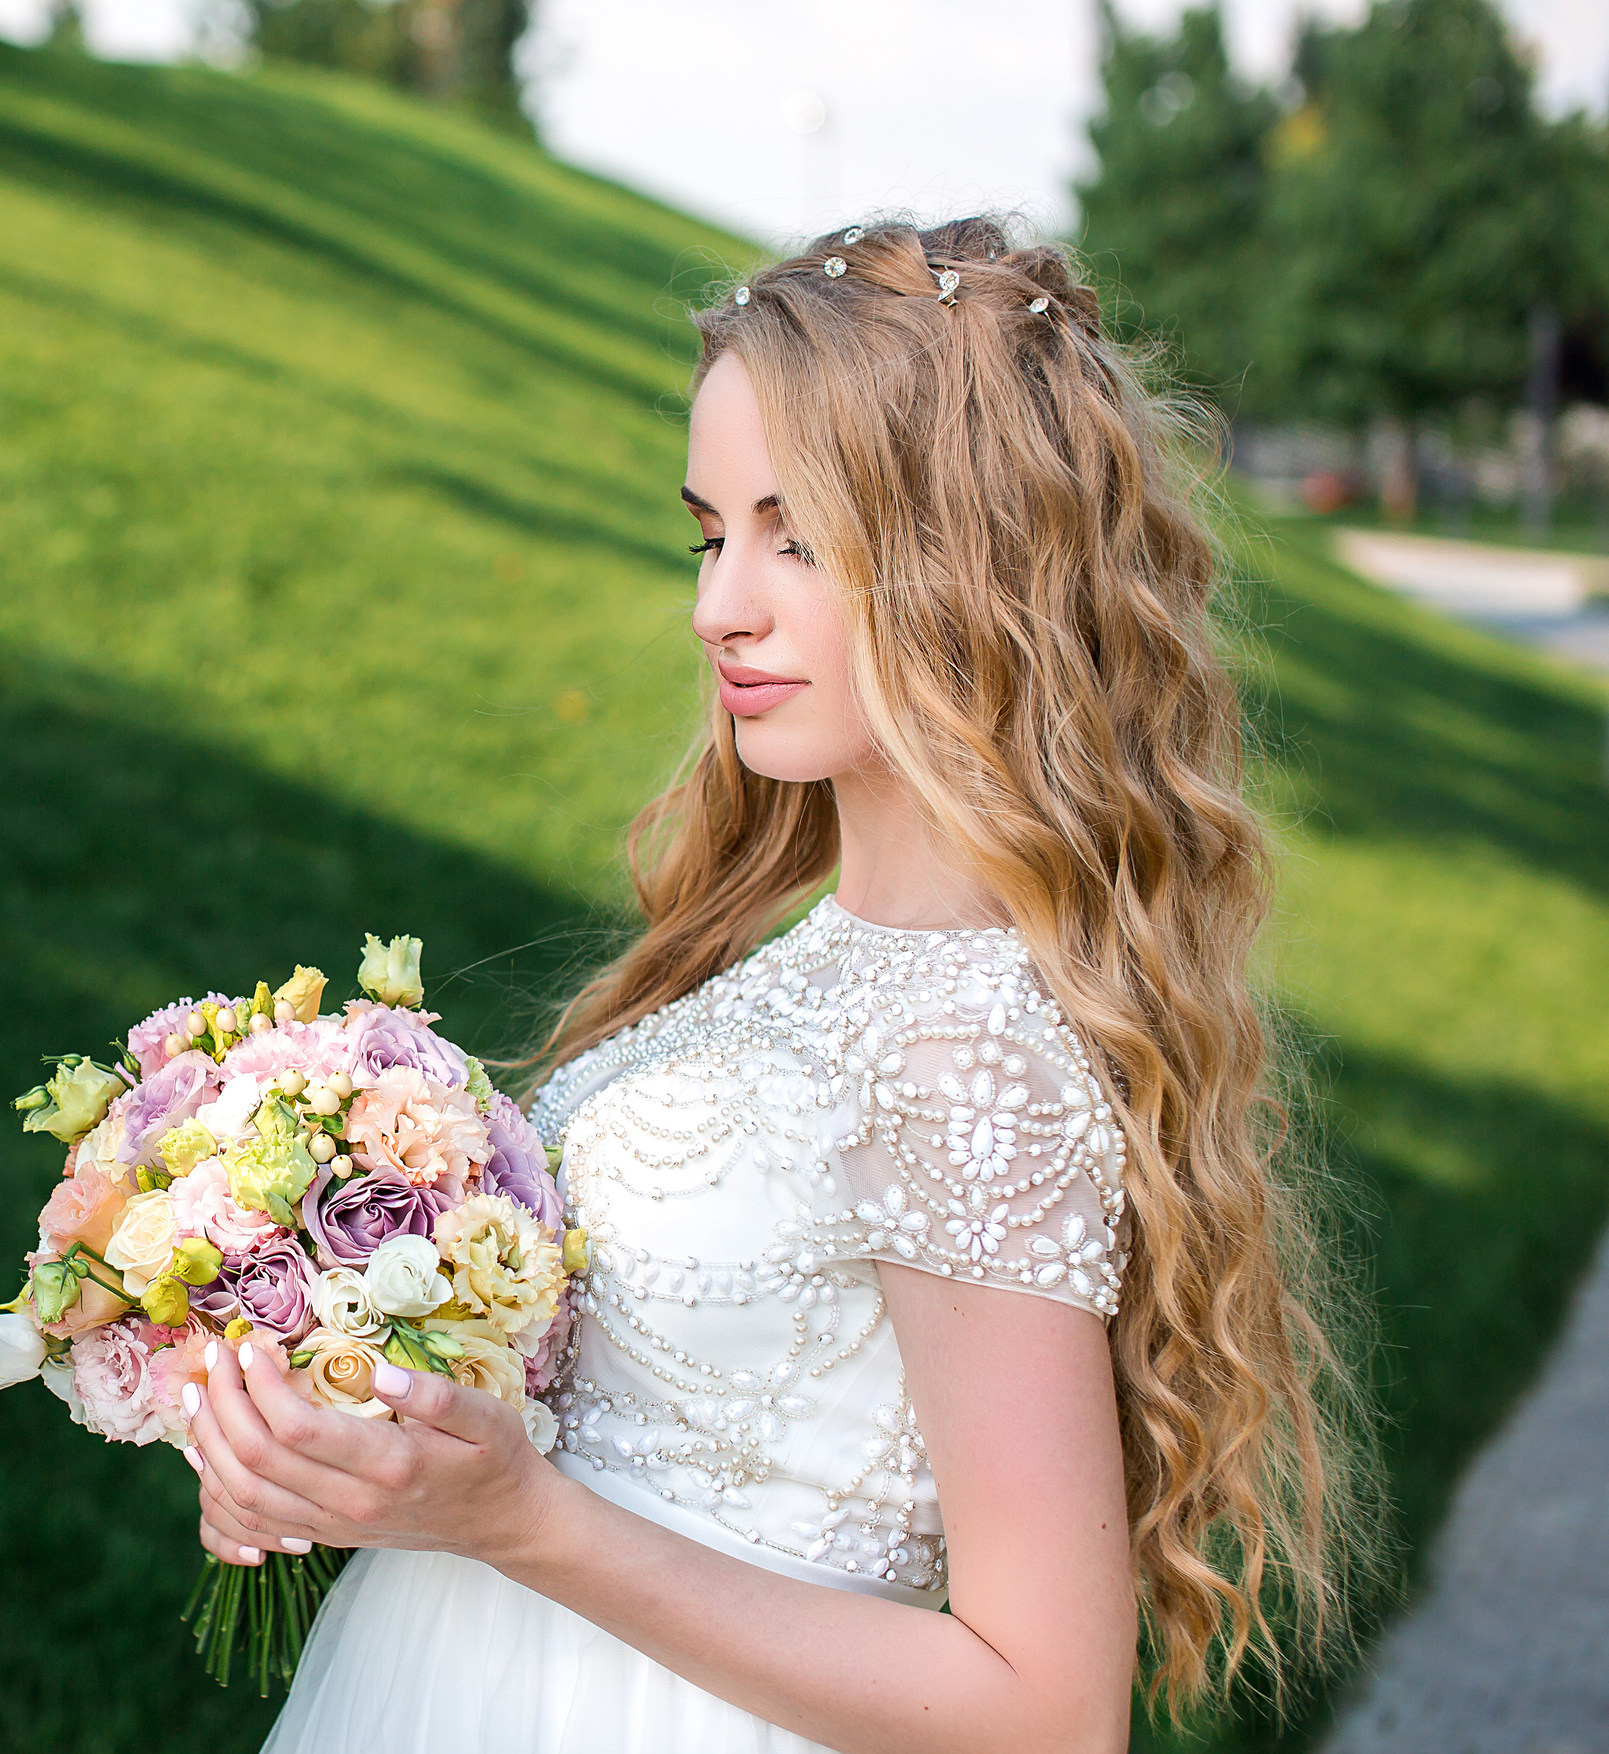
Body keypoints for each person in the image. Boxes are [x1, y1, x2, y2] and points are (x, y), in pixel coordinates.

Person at [175, 217, 1376, 1753]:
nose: (718, 605)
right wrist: (349, 1442)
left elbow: (1049, 1708)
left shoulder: (965, 1053)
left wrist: (527, 1521)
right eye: (709, 533)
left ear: (972, 561)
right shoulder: (799, 964)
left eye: (795, 537)